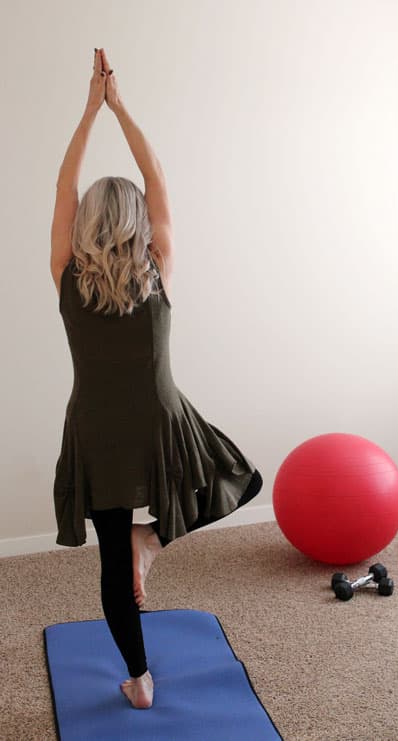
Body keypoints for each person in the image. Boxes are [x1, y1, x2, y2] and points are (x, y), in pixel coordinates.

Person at [50, 47, 263, 710]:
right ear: (142, 223)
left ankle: (138, 679)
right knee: (242, 477)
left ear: (85, 221)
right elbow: (156, 173)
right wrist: (119, 107)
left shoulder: (66, 274)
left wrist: (89, 111)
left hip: (98, 425)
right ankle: (158, 537)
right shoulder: (158, 266)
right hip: (161, 418)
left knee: (114, 556)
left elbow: (64, 186)